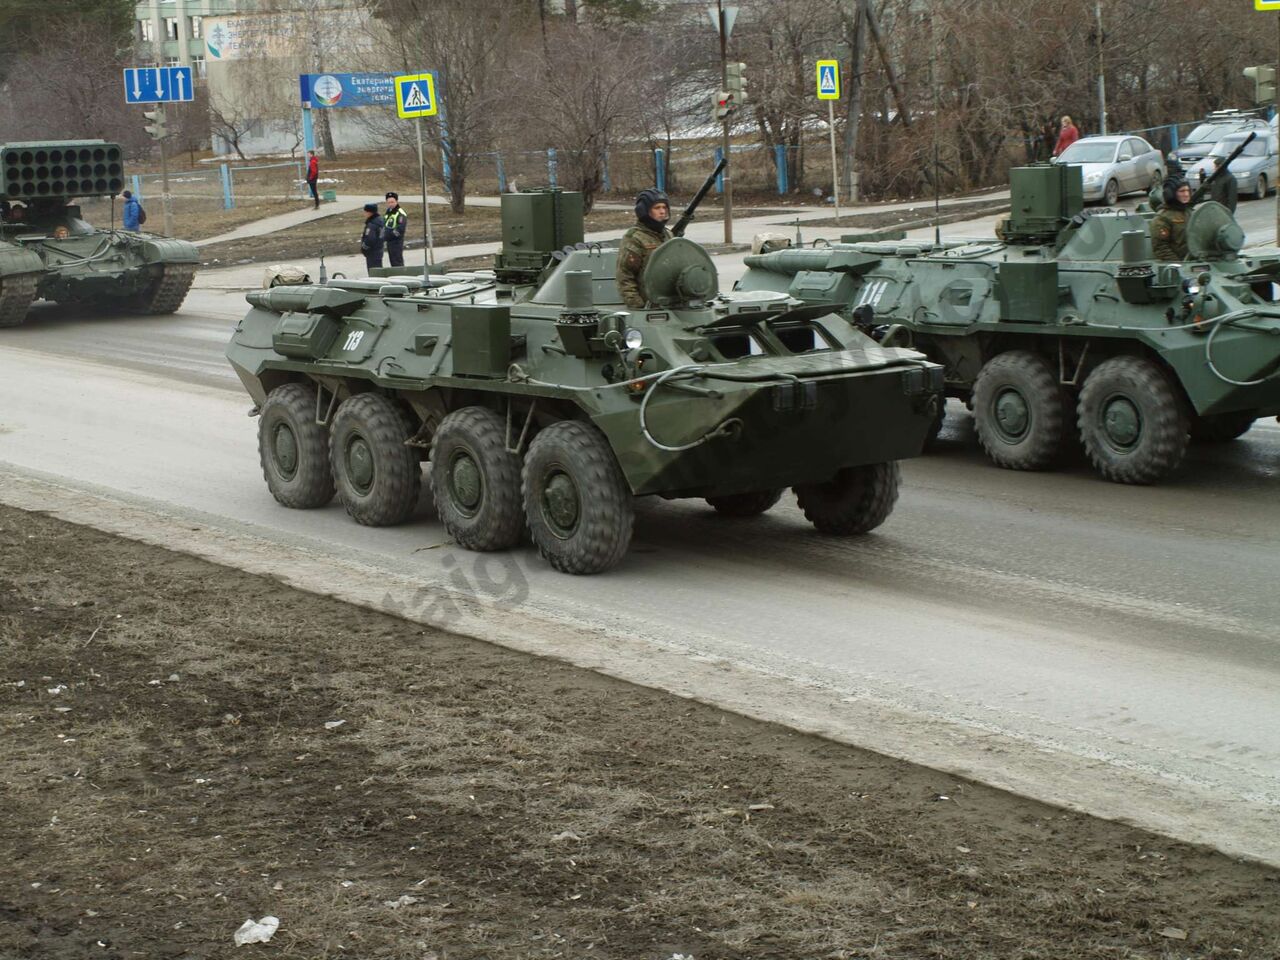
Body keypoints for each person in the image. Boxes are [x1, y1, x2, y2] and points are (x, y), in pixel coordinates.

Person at [615, 188, 672, 308]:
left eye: (664, 207)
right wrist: (637, 305)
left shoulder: (668, 235)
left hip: (671, 303)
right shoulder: (635, 238)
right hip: (648, 306)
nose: (662, 212)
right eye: (657, 208)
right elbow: (625, 277)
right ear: (644, 211)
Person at [1151, 178, 1191, 262]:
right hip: (1178, 264)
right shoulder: (1163, 218)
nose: (1186, 194)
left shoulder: (1189, 213)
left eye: (1188, 190)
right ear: (1171, 194)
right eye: (1182, 191)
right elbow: (1160, 248)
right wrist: (1178, 265)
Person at [382, 191, 407, 268]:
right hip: (390, 242)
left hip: (396, 241)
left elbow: (400, 229)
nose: (391, 204)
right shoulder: (388, 212)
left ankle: (401, 277)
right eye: (389, 202)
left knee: (397, 262)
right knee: (393, 262)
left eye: (392, 202)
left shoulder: (400, 213)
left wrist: (389, 235)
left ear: (396, 201)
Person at [360, 202, 385, 272]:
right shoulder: (380, 221)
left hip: (372, 252)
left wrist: (364, 248)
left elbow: (370, 239)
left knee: (373, 272)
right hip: (379, 249)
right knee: (379, 271)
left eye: (365, 211)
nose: (364, 213)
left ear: (369, 212)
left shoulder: (372, 224)